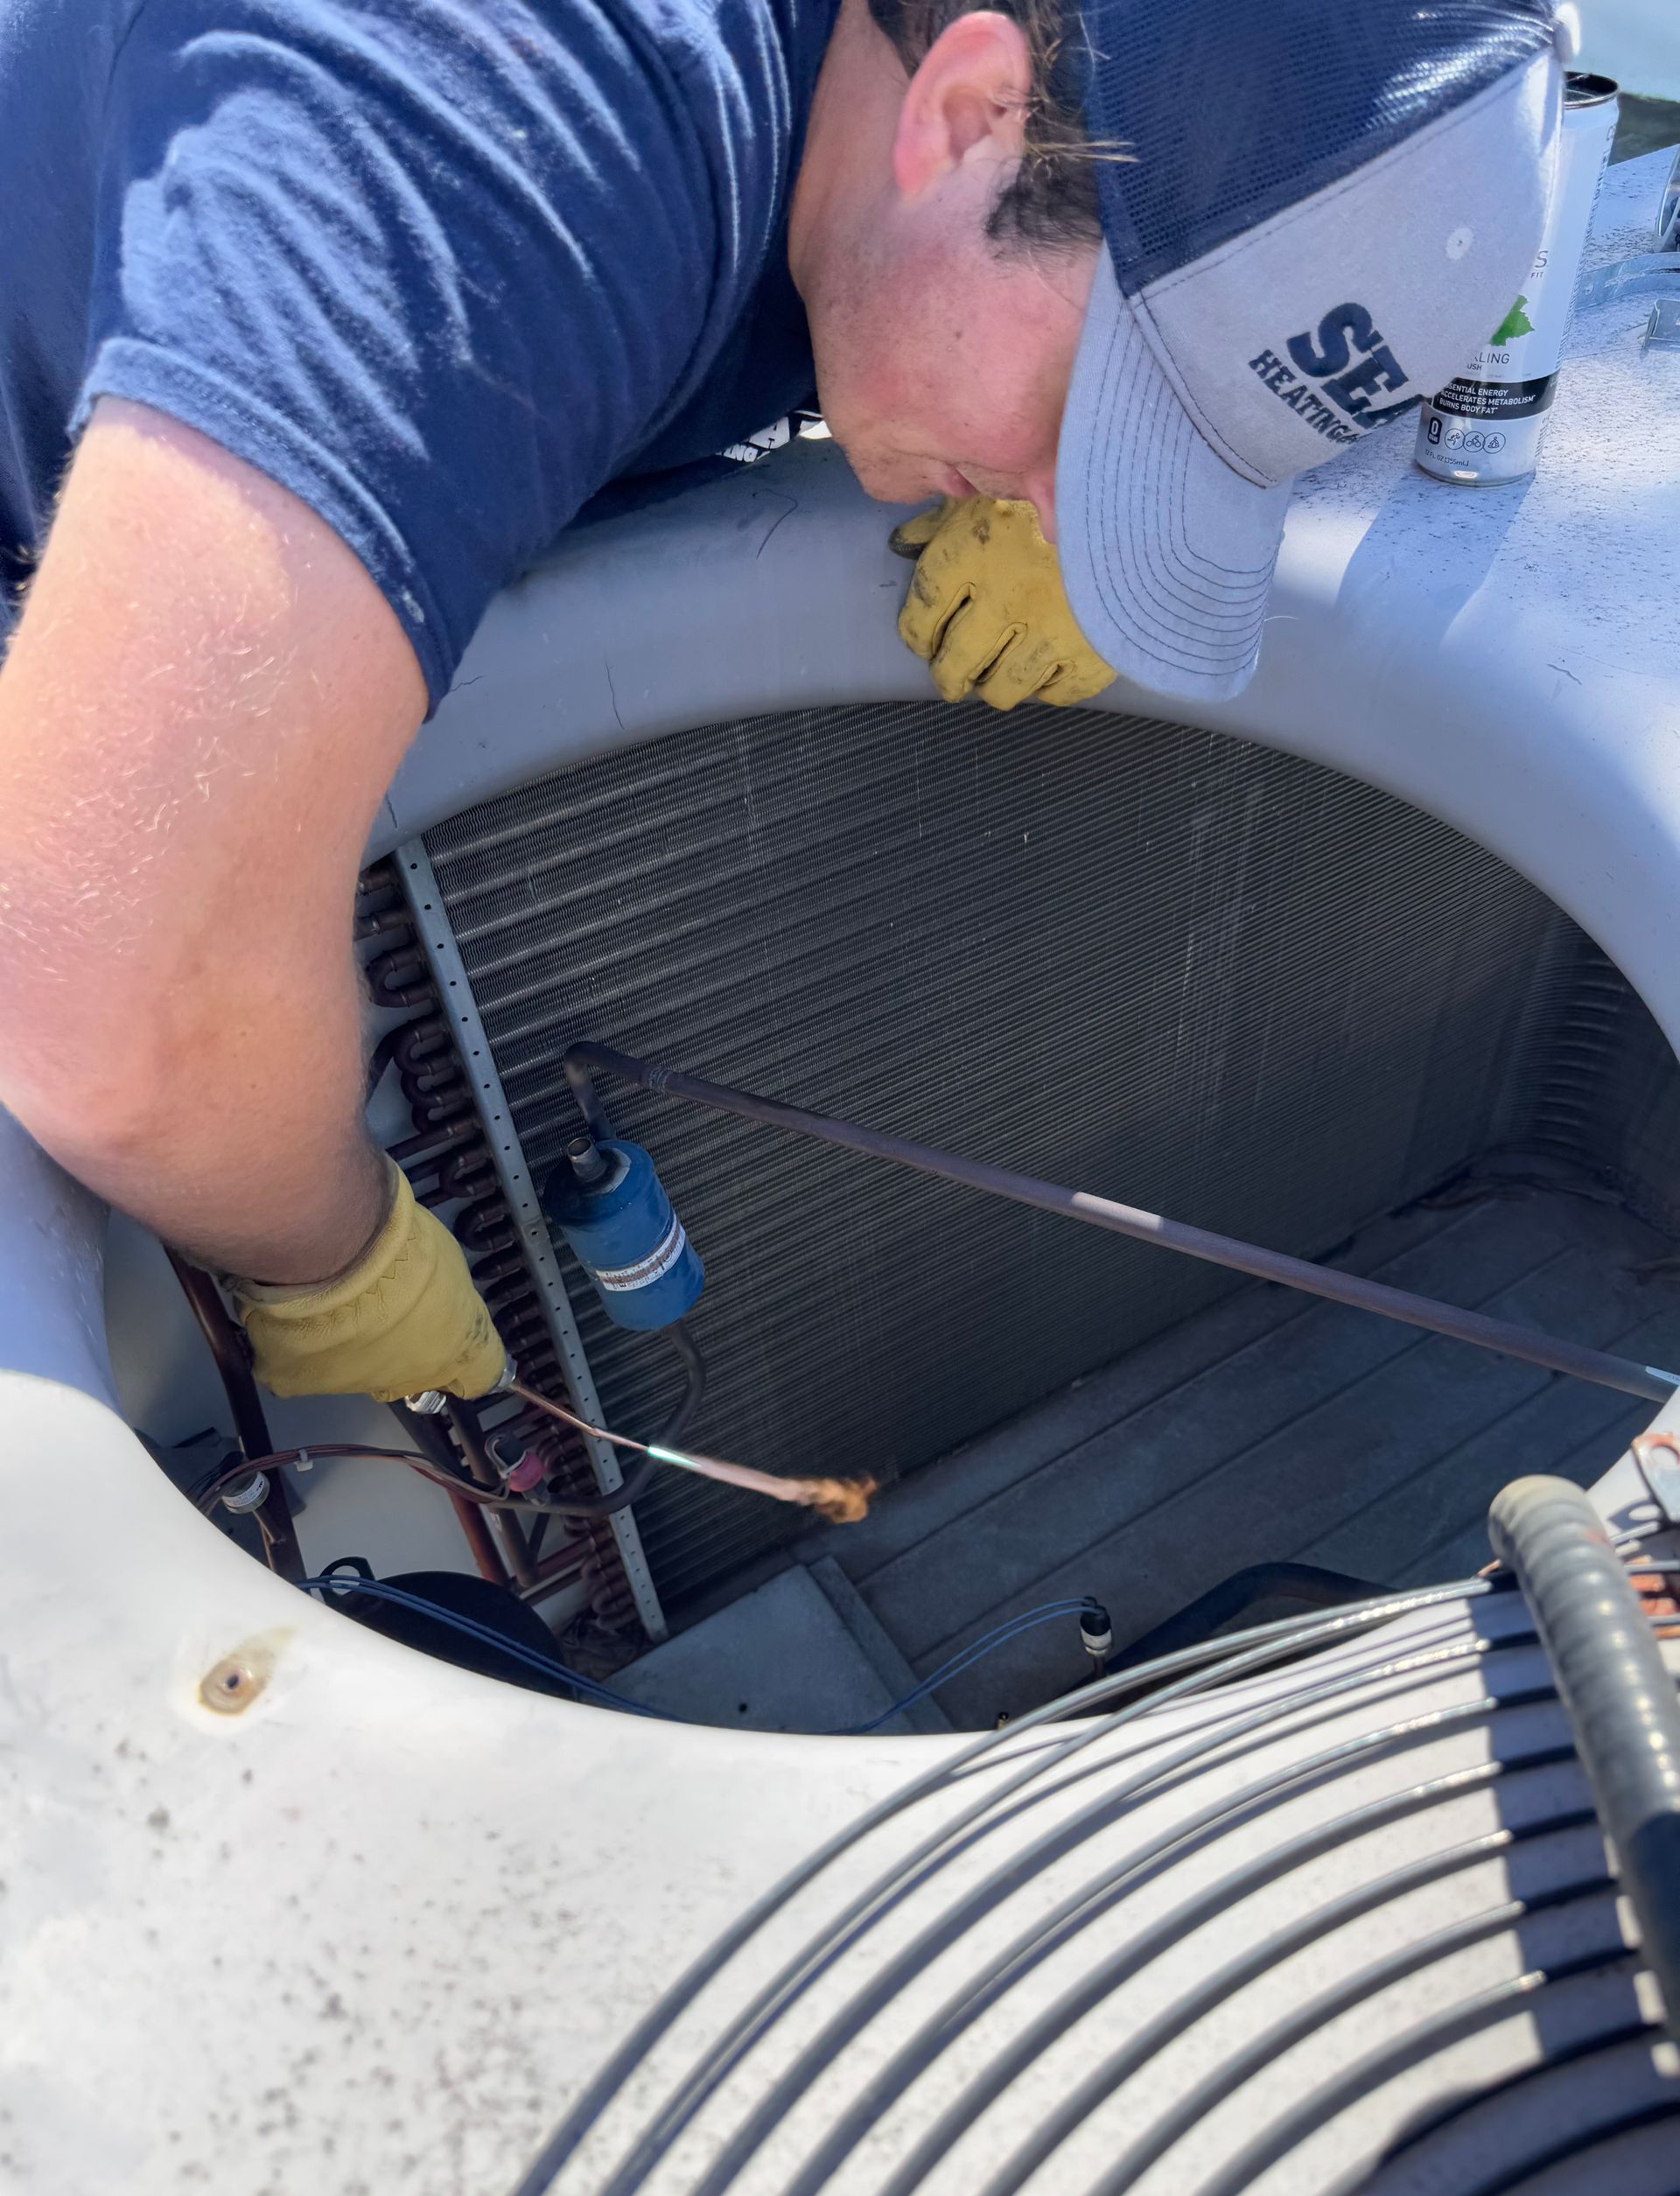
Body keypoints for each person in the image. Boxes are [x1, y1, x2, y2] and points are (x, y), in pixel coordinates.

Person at [0, 0, 1564, 1406]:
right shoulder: (495, 128)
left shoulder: (902, 123)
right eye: (1092, 424)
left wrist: (1101, 485)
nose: (1060, 513)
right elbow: (116, 998)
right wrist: (334, 1263)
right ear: (964, 111)